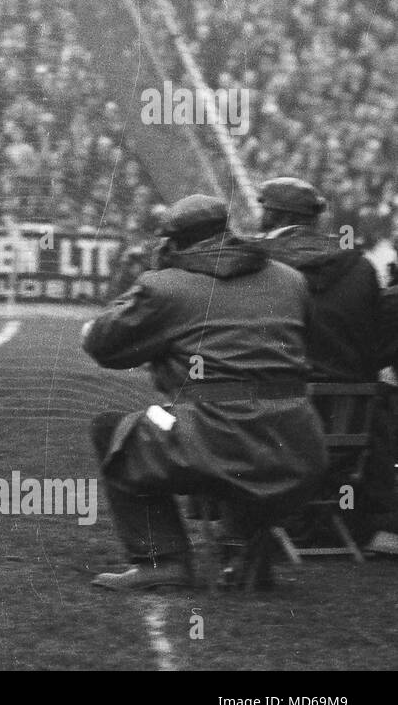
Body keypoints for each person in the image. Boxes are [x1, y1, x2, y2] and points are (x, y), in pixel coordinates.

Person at [82, 194, 327, 590]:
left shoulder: (166, 286)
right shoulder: (290, 279)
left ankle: (161, 561)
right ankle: (241, 550)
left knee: (113, 431)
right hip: (297, 444)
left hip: (215, 438)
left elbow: (103, 344)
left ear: (172, 242)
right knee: (222, 427)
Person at [256, 177, 398, 554]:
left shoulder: (257, 260)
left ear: (273, 214)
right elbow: (374, 343)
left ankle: (241, 521)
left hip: (279, 415)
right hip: (348, 421)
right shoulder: (360, 266)